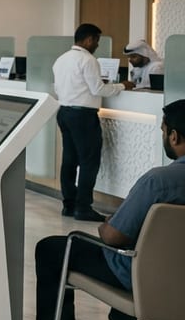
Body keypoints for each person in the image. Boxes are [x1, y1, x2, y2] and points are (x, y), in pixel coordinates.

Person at [22, 99, 185, 320]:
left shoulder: (158, 181)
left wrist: (109, 223)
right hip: (178, 279)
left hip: (143, 277)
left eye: (163, 132)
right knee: (143, 249)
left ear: (174, 136)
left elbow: (112, 237)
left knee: (52, 249)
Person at [53, 24, 135, 222]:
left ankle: (69, 205)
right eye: (97, 40)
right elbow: (98, 89)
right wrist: (122, 85)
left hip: (64, 112)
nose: (97, 45)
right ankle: (83, 208)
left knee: (69, 161)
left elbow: (59, 87)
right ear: (88, 39)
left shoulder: (61, 59)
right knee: (89, 162)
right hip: (83, 116)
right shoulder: (88, 60)